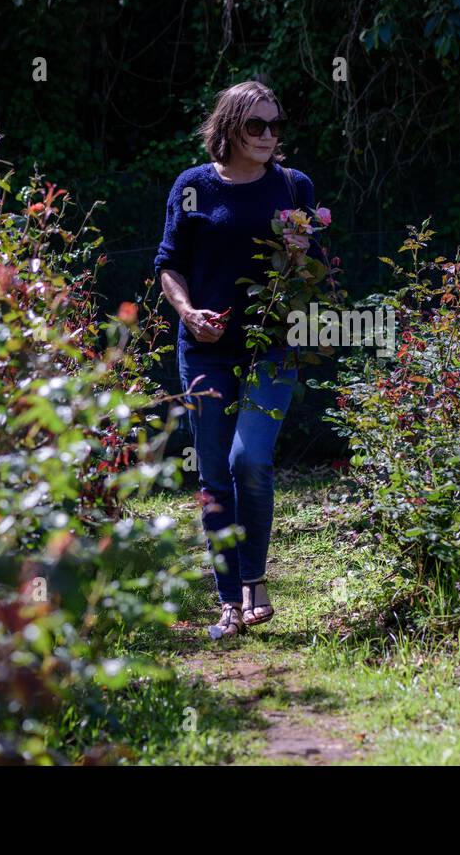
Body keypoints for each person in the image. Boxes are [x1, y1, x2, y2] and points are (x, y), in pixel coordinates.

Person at [153, 80, 318, 641]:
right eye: (256, 126)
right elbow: (169, 263)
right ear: (229, 127)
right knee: (215, 470)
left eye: (275, 126)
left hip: (273, 344)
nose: (269, 136)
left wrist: (303, 257)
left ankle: (254, 578)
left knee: (251, 461)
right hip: (205, 348)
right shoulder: (193, 186)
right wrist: (188, 310)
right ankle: (229, 601)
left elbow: (316, 274)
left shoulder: (293, 187)